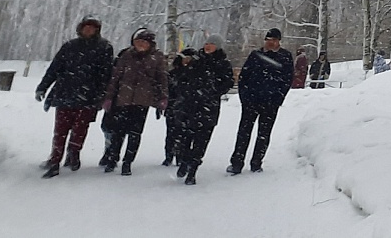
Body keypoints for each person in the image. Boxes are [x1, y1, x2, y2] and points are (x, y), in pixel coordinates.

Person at [35, 15, 114, 177]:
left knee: (80, 130)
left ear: (97, 30)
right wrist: (43, 87)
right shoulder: (70, 46)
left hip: (88, 97)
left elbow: (106, 75)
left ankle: (74, 154)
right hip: (65, 94)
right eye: (86, 26)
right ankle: (55, 160)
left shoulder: (104, 47)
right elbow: (55, 68)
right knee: (60, 131)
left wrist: (102, 96)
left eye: (93, 27)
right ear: (80, 28)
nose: (89, 30)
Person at [99, 28, 167, 175]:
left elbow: (162, 79)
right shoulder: (126, 55)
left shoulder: (157, 57)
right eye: (138, 41)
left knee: (135, 133)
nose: (140, 45)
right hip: (122, 99)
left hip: (142, 101)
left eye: (144, 42)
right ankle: (112, 158)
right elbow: (115, 78)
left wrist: (162, 98)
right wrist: (109, 97)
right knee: (118, 132)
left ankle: (127, 162)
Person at [167, 37, 232, 184]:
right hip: (189, 106)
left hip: (208, 108)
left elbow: (227, 83)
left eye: (212, 44)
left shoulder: (223, 63)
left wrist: (211, 92)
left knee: (201, 141)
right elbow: (181, 76)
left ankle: (193, 170)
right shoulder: (196, 59)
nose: (208, 46)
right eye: (207, 43)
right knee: (184, 138)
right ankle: (184, 161)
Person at [228, 27, 293, 174]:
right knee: (244, 132)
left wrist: (278, 98)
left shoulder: (285, 57)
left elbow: (287, 80)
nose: (270, 43)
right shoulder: (256, 55)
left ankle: (257, 162)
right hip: (251, 101)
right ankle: (237, 163)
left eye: (273, 40)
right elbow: (244, 76)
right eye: (268, 40)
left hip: (271, 103)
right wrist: (244, 97)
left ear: (279, 42)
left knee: (264, 134)